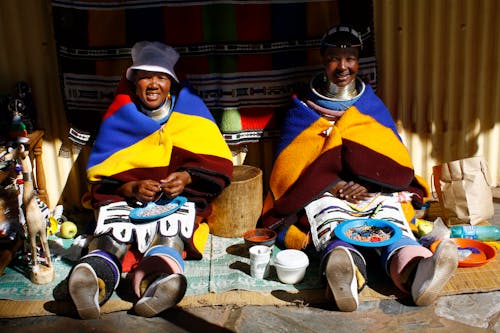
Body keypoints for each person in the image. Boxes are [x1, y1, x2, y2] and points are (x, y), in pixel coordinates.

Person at [259, 25, 458, 312]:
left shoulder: (369, 105)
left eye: (350, 58)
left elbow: (392, 158)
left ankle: (417, 270)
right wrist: (332, 186)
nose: (343, 67)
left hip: (373, 190)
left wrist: (372, 182)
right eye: (334, 58)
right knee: (333, 224)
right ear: (322, 59)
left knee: (389, 219)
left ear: (358, 60)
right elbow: (290, 168)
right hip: (323, 192)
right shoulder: (303, 107)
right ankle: (347, 272)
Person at [65, 41, 233, 319]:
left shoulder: (190, 115)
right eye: (145, 76)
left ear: (171, 83)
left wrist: (187, 176)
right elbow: (102, 176)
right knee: (112, 234)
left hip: (174, 201)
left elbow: (216, 164)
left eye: (162, 77)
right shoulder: (119, 117)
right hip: (125, 200)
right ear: (133, 82)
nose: (153, 84)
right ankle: (93, 277)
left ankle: (160, 280)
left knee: (171, 232)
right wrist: (130, 187)